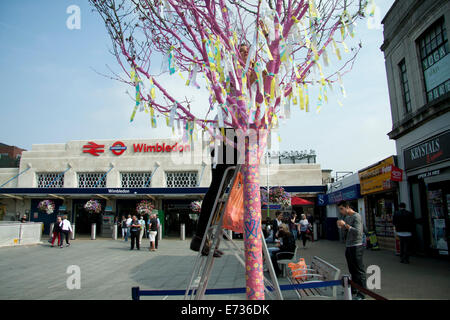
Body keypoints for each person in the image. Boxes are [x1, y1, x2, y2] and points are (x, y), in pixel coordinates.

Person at [190, 127, 237, 257]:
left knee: (218, 191)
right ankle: (200, 238)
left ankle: (203, 239)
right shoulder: (231, 112)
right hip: (228, 140)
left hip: (228, 141)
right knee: (216, 190)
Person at [337, 200, 366, 300]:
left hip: (356, 246)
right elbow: (346, 231)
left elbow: (358, 232)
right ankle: (354, 288)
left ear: (347, 207)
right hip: (348, 246)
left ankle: (362, 293)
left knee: (359, 270)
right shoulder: (347, 217)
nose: (341, 211)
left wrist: (345, 225)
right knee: (352, 269)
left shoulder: (356, 216)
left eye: (342, 209)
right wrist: (341, 227)